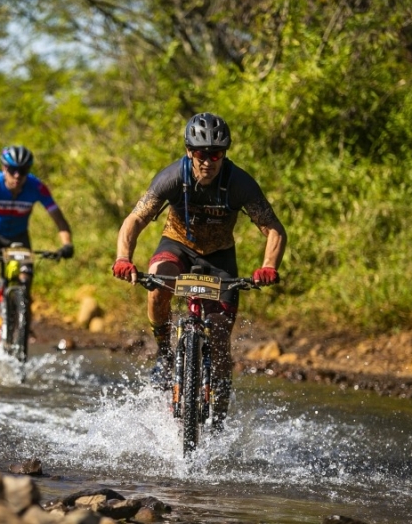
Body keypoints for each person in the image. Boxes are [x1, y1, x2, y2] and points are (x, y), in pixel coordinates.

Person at [111, 112, 287, 428]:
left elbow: (273, 228)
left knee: (219, 340)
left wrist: (268, 266)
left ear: (224, 154)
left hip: (220, 258)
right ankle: (165, 353)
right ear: (189, 151)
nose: (208, 161)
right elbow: (135, 219)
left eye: (216, 154)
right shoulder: (172, 178)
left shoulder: (239, 183)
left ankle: (219, 415)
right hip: (176, 246)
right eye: (201, 153)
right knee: (157, 287)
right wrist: (124, 258)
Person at [0, 145, 74, 334]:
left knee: (25, 278)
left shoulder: (36, 187)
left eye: (23, 170)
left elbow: (59, 219)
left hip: (18, 236)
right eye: (13, 170)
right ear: (4, 168)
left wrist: (67, 244)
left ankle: (21, 323)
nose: (17, 175)